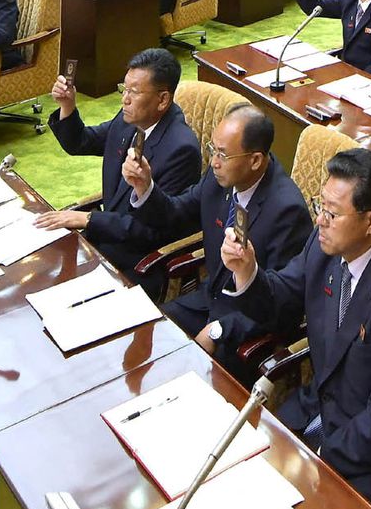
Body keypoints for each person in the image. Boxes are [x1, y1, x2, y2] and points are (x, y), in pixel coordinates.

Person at [219, 146, 371, 509]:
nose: (319, 220)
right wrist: (248, 272)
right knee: (237, 474)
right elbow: (281, 300)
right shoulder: (324, 246)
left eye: (332, 213)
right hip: (314, 410)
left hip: (366, 458)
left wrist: (316, 458)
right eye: (319, 206)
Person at [123, 103, 312, 370]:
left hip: (247, 326)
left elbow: (283, 306)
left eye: (222, 154)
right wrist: (145, 187)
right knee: (148, 336)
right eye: (213, 150)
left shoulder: (286, 211)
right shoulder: (218, 178)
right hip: (208, 298)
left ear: (255, 160)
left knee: (196, 377)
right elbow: (176, 214)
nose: (214, 162)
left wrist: (219, 330)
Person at [39, 47, 204, 273]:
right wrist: (67, 106)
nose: (125, 99)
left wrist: (90, 220)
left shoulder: (181, 150)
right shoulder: (129, 119)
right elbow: (81, 142)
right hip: (106, 238)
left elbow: (155, 232)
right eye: (124, 89)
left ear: (163, 99)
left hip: (137, 260)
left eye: (134, 92)